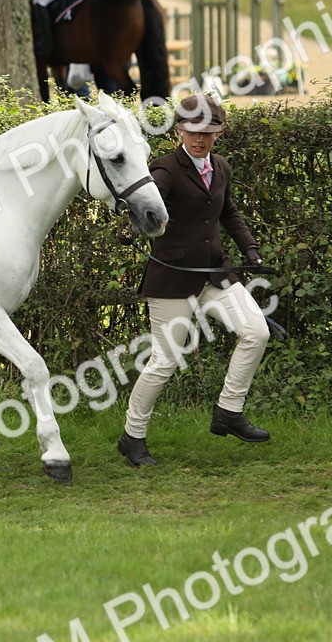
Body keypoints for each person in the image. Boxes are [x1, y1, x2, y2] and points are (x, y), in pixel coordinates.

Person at [118, 94, 272, 468]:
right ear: (179, 131)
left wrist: (250, 249)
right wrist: (137, 220)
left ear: (218, 133)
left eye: (208, 133)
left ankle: (228, 412)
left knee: (257, 332)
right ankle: (132, 436)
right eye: (191, 131)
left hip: (215, 274)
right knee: (164, 362)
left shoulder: (220, 166)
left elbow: (229, 212)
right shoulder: (166, 170)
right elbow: (147, 201)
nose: (199, 139)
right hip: (172, 279)